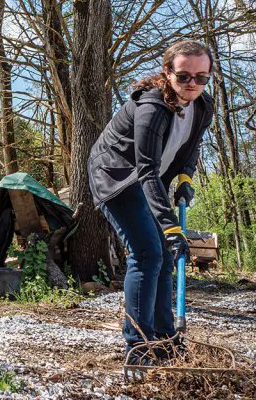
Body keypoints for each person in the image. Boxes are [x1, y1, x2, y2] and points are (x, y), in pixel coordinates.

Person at [87, 40, 215, 366]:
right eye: (184, 76)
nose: (192, 84)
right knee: (148, 252)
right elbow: (145, 170)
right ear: (167, 72)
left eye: (201, 77)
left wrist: (185, 176)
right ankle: (139, 347)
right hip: (117, 178)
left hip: (149, 180)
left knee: (165, 257)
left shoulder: (203, 107)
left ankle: (165, 340)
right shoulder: (152, 109)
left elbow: (191, 148)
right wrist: (170, 224)